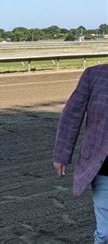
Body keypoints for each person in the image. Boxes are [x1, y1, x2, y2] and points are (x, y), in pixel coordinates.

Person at [53, 64, 108, 243]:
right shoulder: (94, 75)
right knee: (105, 232)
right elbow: (72, 114)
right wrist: (62, 155)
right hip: (102, 168)